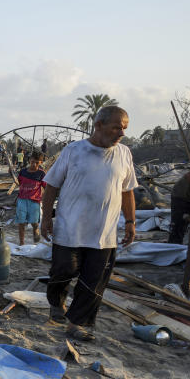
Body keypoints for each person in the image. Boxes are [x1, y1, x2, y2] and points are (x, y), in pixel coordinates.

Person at [40, 105, 137, 342]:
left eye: (124, 128)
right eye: (116, 127)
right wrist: (45, 218)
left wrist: (131, 222)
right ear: (99, 125)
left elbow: (127, 191)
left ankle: (77, 323)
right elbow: (51, 185)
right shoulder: (74, 151)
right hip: (69, 228)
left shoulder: (124, 153)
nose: (121, 133)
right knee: (64, 271)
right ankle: (56, 301)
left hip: (104, 232)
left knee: (94, 281)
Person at [16, 152, 47, 245]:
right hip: (22, 199)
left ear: (40, 162)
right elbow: (18, 183)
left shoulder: (41, 174)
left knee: (34, 223)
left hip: (34, 201)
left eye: (37, 163)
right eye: (32, 162)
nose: (34, 164)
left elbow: (46, 187)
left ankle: (35, 241)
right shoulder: (23, 172)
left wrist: (45, 200)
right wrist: (11, 173)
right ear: (29, 160)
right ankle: (22, 243)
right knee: (21, 223)